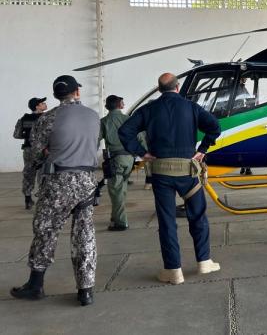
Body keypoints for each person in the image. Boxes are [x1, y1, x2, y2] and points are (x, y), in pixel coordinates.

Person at [118, 73, 222, 285]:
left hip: (161, 173)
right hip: (188, 173)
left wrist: (142, 153)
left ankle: (173, 270)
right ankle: (204, 261)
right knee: (198, 216)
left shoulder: (148, 109)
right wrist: (202, 149)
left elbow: (125, 130)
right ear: (178, 87)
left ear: (159, 90)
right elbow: (214, 127)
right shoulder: (191, 107)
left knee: (167, 222)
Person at [11, 75, 100, 306]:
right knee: (84, 234)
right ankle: (86, 290)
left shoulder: (48, 118)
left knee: (45, 230)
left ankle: (35, 285)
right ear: (77, 92)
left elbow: (35, 153)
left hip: (58, 182)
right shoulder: (93, 116)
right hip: (87, 182)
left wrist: (43, 159)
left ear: (55, 95)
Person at [99, 95, 135, 231]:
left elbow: (95, 140)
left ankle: (121, 222)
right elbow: (140, 137)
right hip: (129, 159)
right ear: (120, 105)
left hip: (115, 159)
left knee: (116, 190)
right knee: (121, 189)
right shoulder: (129, 120)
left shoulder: (104, 121)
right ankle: (115, 216)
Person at [13, 97, 48, 209]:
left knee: (28, 174)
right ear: (37, 106)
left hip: (28, 150)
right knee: (43, 174)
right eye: (42, 103)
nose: (45, 104)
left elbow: (17, 135)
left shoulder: (24, 119)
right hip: (42, 150)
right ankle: (43, 200)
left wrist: (28, 136)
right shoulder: (46, 118)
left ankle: (28, 199)